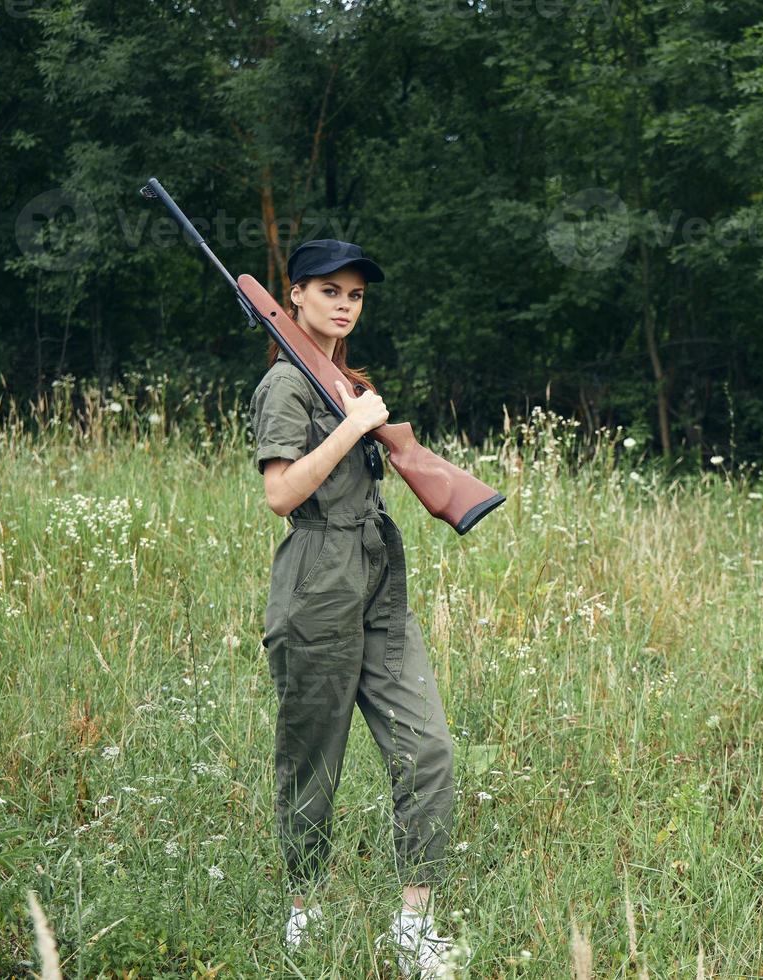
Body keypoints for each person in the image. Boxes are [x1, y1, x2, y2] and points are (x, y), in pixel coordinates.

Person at [248, 239, 460, 977]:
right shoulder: (286, 387)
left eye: (357, 294)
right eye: (330, 290)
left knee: (428, 747)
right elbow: (280, 495)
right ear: (294, 296)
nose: (345, 303)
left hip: (376, 573)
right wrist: (350, 424)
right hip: (316, 582)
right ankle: (304, 913)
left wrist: (359, 410)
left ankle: (415, 925)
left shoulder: (339, 376)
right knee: (313, 761)